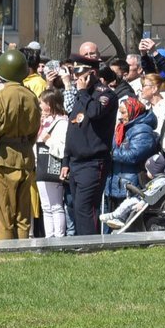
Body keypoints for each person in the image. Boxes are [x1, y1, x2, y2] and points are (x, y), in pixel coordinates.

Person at [0, 46, 38, 239]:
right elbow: (34, 132)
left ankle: (6, 253)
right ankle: (23, 252)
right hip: (25, 159)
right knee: (22, 217)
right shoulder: (31, 97)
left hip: (2, 162)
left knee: (4, 218)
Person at [63, 48, 116, 235]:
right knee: (77, 207)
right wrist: (66, 160)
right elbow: (73, 128)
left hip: (93, 162)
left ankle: (90, 245)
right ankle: (83, 243)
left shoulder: (105, 94)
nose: (75, 77)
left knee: (86, 208)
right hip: (76, 162)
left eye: (79, 73)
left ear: (91, 73)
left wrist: (83, 92)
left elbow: (94, 113)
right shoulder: (82, 95)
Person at [34, 89, 69, 238]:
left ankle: (59, 237)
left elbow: (62, 148)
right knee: (46, 207)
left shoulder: (62, 123)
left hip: (53, 166)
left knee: (56, 205)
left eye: (42, 102)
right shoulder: (46, 122)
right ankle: (49, 237)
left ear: (50, 104)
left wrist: (47, 139)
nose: (40, 105)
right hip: (41, 166)